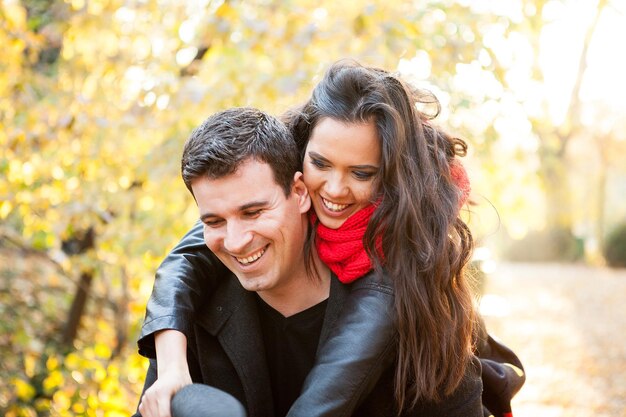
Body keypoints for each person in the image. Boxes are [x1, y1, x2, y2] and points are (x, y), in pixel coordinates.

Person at [138, 62, 524, 417]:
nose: (335, 189)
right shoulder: (204, 298)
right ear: (300, 174)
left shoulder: (409, 259)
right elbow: (187, 256)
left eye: (361, 172)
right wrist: (172, 363)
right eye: (321, 164)